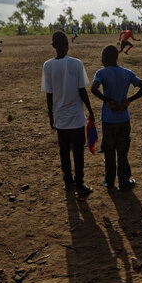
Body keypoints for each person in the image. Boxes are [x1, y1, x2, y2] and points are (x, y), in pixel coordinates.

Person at [42, 31, 95, 197]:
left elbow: (49, 94)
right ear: (68, 44)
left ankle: (68, 182)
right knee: (78, 152)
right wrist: (90, 110)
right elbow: (82, 90)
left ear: (53, 46)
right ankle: (80, 184)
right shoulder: (76, 64)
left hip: (60, 117)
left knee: (64, 151)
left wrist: (51, 116)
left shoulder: (48, 65)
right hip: (76, 116)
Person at [90, 45, 142, 191]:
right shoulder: (127, 73)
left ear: (105, 58)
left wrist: (107, 100)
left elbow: (93, 89)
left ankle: (109, 181)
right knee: (122, 152)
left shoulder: (101, 73)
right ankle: (124, 181)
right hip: (123, 118)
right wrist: (129, 100)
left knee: (109, 151)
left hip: (108, 119)